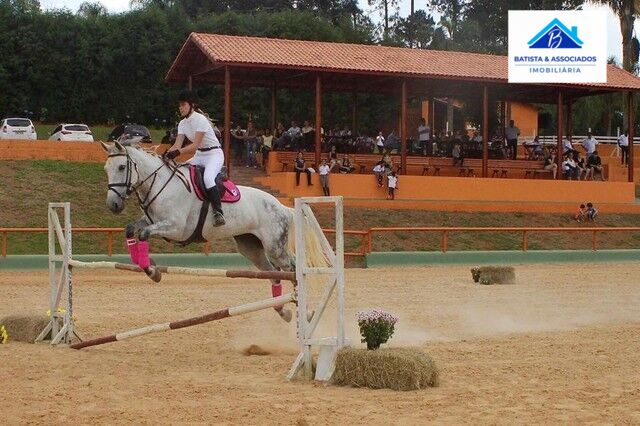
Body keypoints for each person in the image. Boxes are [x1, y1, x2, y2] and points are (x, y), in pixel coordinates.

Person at [166, 91, 225, 226]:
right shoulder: (182, 123)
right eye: (179, 106)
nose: (180, 108)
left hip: (213, 155)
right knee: (180, 172)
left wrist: (177, 152)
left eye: (183, 105)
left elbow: (194, 145)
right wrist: (166, 154)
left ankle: (219, 212)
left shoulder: (201, 120)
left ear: (192, 105)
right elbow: (177, 145)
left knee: (208, 179)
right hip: (199, 155)